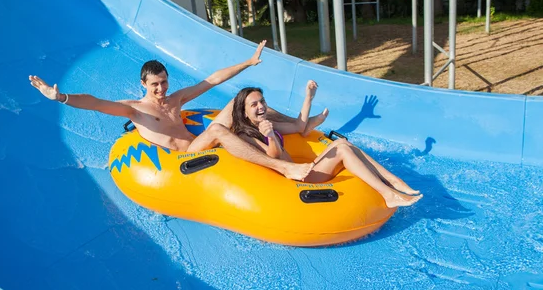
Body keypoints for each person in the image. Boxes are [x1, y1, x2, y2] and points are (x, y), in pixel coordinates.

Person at [29, 40, 313, 181]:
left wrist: (248, 62)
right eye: (155, 84)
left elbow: (212, 79)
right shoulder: (135, 110)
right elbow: (95, 102)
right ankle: (283, 168)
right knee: (217, 128)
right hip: (184, 158)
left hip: (199, 144)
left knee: (243, 98)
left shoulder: (176, 100)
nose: (161, 88)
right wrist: (61, 97)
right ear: (143, 83)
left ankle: (300, 124)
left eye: (164, 82)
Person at [230, 86, 423, 208]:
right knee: (342, 150)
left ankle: (392, 180)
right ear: (245, 112)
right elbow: (272, 157)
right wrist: (270, 136)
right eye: (254, 104)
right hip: (295, 180)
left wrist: (308, 98)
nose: (260, 106)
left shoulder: (268, 123)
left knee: (341, 143)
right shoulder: (245, 135)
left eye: (262, 101)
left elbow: (299, 126)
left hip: (303, 169)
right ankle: (388, 194)